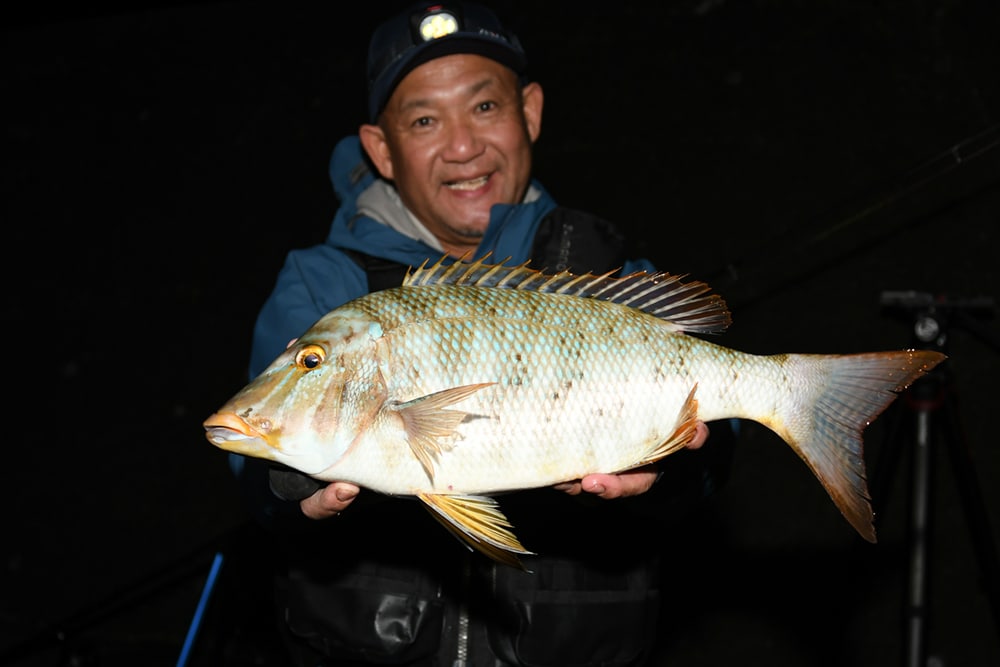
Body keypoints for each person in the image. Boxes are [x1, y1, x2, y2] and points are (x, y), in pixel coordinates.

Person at [231, 3, 734, 665]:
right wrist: (283, 487)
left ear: (530, 111)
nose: (463, 146)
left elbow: (714, 456)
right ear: (380, 148)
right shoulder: (326, 284)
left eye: (485, 108)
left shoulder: (605, 280)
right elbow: (255, 473)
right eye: (424, 120)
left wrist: (675, 470)